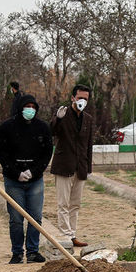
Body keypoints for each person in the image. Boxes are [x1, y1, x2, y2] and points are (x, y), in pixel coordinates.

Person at [0, 94, 53, 264]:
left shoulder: (42, 128)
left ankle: (33, 252)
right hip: (13, 180)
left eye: (33, 107)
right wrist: (15, 172)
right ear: (20, 108)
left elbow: (47, 153)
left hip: (35, 180)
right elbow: (1, 152)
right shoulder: (7, 127)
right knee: (16, 218)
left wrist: (34, 172)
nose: (30, 110)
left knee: (35, 217)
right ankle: (17, 252)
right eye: (27, 107)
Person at [49, 83, 94, 249]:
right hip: (64, 165)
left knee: (75, 204)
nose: (82, 101)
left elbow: (89, 145)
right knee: (63, 204)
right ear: (73, 98)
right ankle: (65, 235)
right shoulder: (63, 113)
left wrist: (88, 167)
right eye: (80, 97)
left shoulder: (88, 119)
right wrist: (57, 119)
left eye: (86, 98)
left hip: (80, 167)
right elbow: (53, 132)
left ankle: (73, 234)